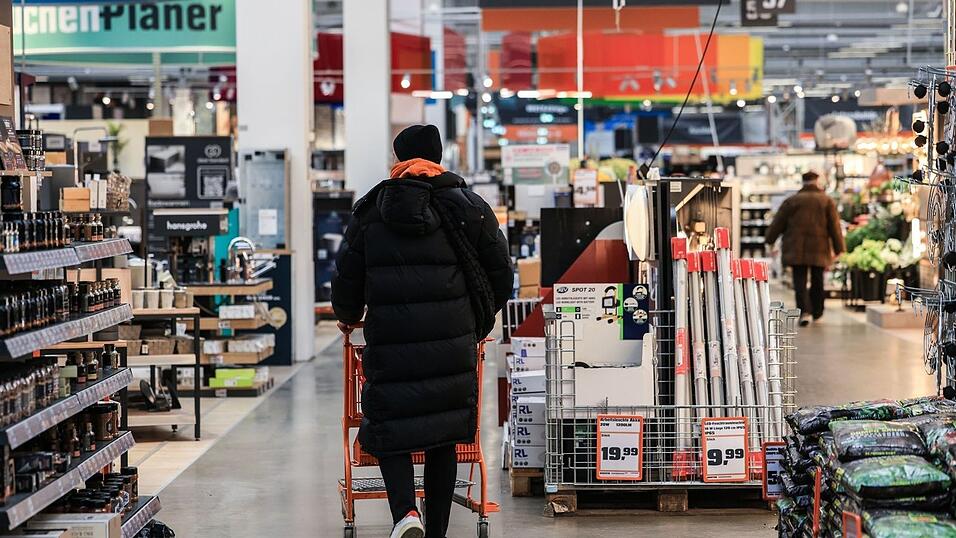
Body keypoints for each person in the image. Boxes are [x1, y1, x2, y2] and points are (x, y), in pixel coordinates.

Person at [331, 124, 513, 538]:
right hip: (452, 343)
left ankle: (405, 516)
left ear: (398, 160)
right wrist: (477, 318)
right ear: (438, 156)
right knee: (443, 436)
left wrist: (347, 313)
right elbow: (502, 275)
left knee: (390, 428)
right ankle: (437, 532)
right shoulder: (470, 206)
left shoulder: (371, 210)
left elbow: (346, 277)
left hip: (391, 341)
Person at [765, 171, 845, 327]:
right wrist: (839, 247)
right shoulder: (826, 201)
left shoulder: (792, 201)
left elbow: (778, 223)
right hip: (819, 246)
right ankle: (818, 312)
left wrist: (770, 239)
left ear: (803, 182)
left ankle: (804, 312)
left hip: (796, 247)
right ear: (817, 181)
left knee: (799, 281)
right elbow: (834, 227)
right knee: (818, 279)